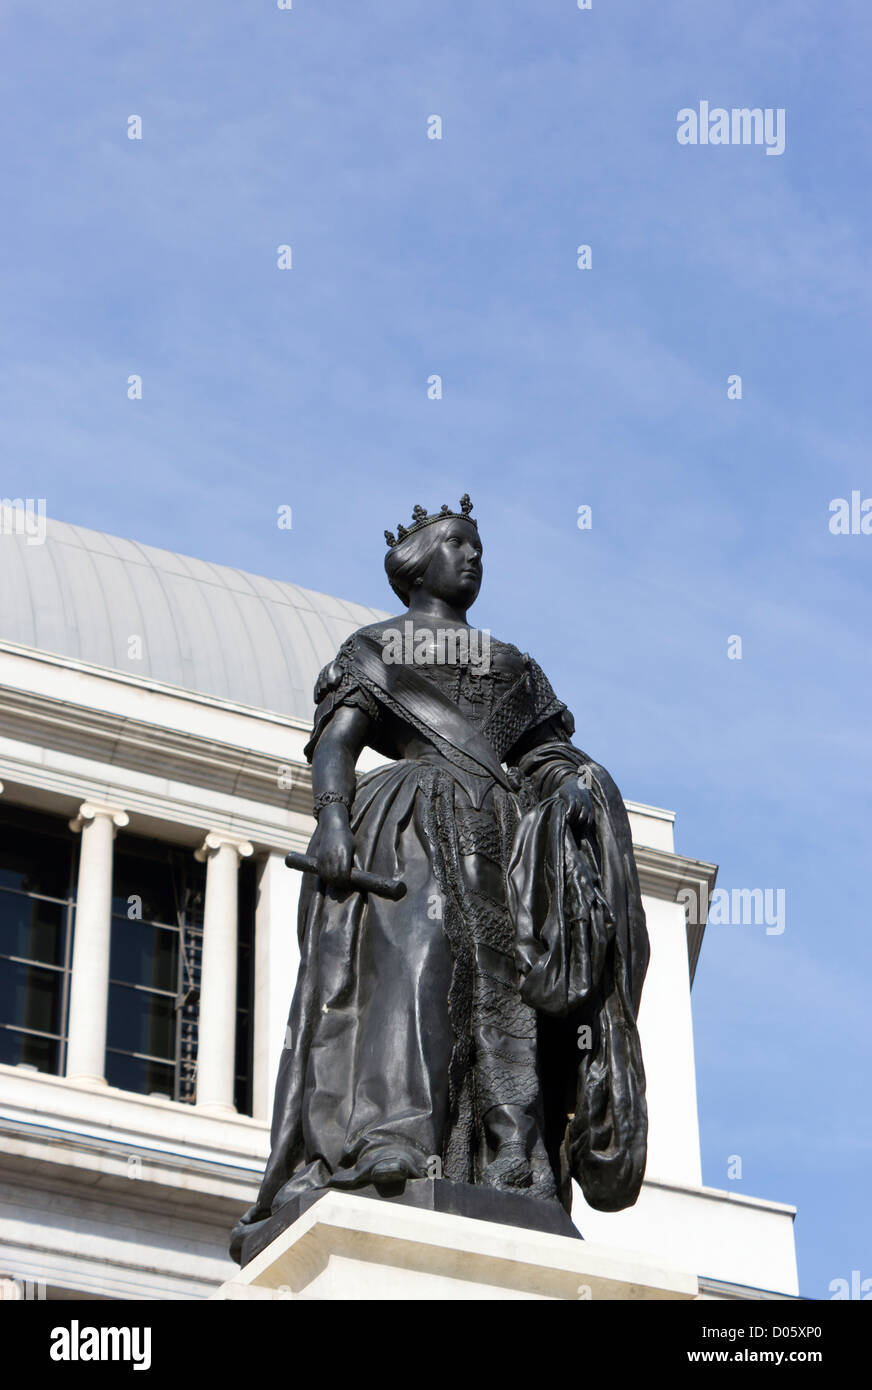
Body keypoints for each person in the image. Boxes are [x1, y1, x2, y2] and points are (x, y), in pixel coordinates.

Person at [231, 496, 648, 1259]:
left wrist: (579, 788)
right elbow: (338, 743)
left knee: (509, 997)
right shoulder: (376, 647)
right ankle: (389, 1137)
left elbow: (544, 757)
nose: (472, 556)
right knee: (416, 973)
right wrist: (331, 818)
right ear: (416, 564)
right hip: (411, 825)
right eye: (456, 542)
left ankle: (510, 1164)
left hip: (506, 841)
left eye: (478, 546)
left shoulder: (515, 664)